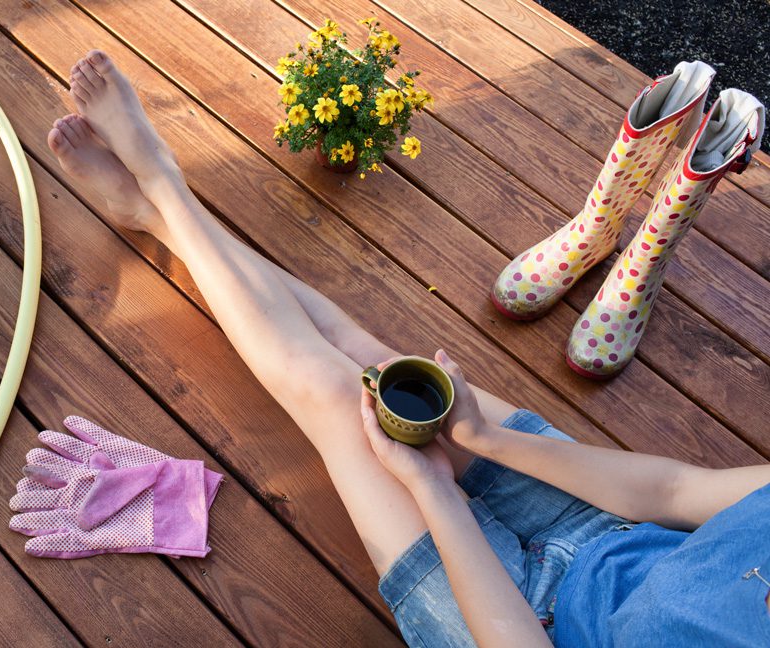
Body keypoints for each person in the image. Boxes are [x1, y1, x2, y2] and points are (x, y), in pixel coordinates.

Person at [47, 50, 770, 647]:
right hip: (604, 529)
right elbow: (675, 493)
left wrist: (433, 488)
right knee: (372, 359)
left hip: (527, 624)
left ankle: (163, 187)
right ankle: (159, 214)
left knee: (335, 396)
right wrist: (486, 439)